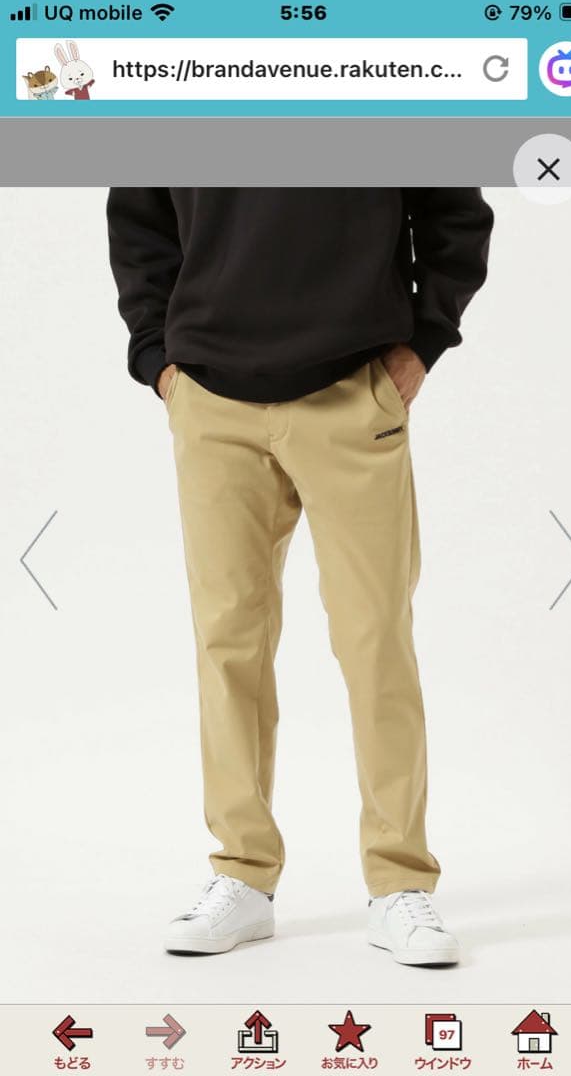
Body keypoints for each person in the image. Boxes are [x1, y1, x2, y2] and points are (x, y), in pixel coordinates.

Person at [107, 188, 493, 966]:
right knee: (228, 644)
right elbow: (139, 215)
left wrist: (423, 342)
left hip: (352, 389)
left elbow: (455, 211)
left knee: (375, 639)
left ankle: (398, 881)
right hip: (211, 400)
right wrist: (158, 358)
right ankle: (243, 875)